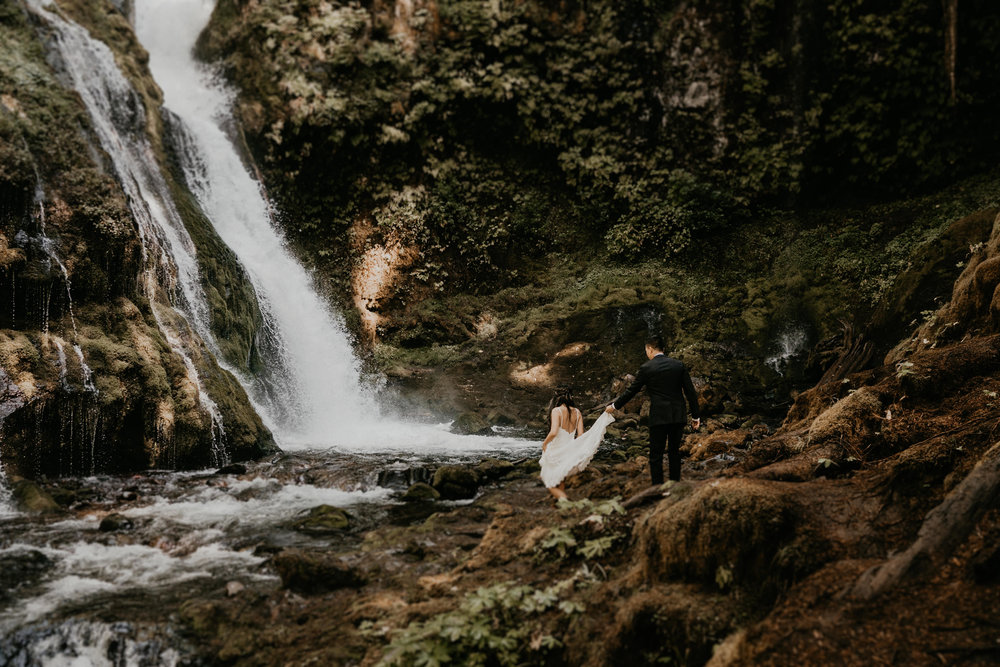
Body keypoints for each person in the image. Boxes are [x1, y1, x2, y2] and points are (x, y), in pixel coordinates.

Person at [606, 334, 700, 484]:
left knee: (656, 454)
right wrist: (696, 416)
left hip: (659, 416)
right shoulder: (678, 365)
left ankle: (658, 487)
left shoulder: (646, 368)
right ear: (664, 349)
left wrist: (614, 406)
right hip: (678, 415)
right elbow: (690, 392)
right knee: (674, 452)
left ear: (650, 349)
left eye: (646, 350)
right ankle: (675, 484)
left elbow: (632, 391)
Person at [539, 388, 615, 501]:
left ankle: (565, 501)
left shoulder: (556, 411)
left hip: (557, 449)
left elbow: (554, 432)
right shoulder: (577, 412)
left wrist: (544, 444)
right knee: (560, 478)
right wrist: (575, 448)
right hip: (569, 449)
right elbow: (580, 435)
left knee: (547, 480)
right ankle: (558, 503)